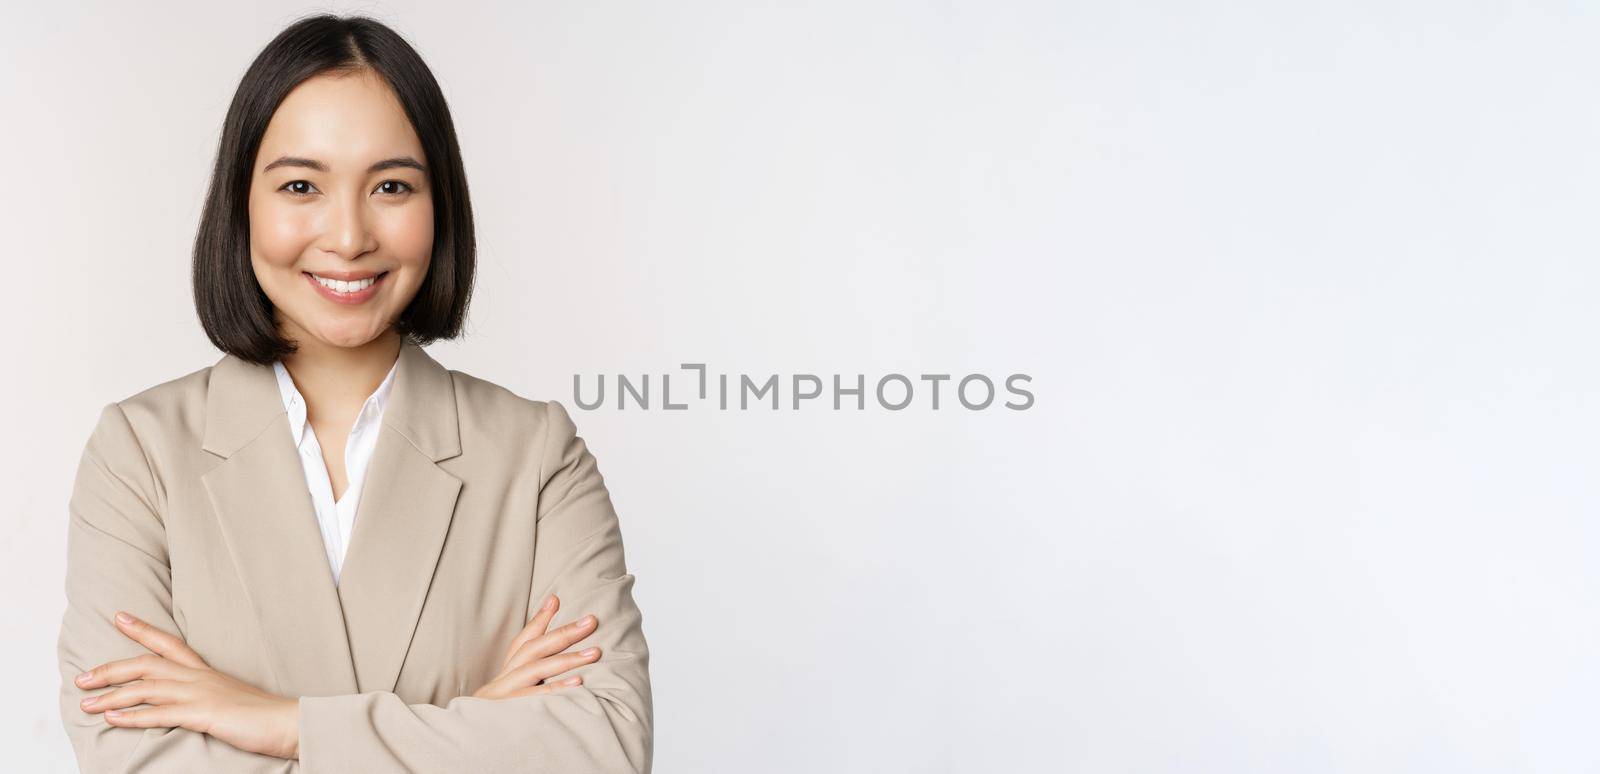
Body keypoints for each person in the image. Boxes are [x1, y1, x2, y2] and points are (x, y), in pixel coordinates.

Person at [55, 14, 652, 773]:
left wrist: (280, 724)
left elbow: (603, 748)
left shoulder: (536, 455)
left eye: (392, 186)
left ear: (441, 206)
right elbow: (131, 756)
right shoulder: (139, 454)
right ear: (242, 202)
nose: (347, 235)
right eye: (301, 185)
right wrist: (475, 727)